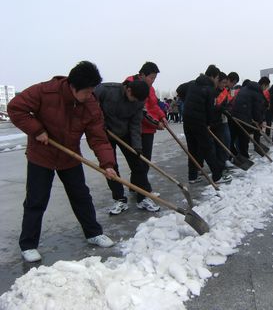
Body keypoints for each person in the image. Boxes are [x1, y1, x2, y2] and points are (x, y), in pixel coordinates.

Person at [7, 61, 116, 263]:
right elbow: (15, 108)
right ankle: (28, 245)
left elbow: (98, 137)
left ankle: (93, 232)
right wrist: (37, 130)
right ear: (73, 87)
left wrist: (107, 164)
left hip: (69, 155)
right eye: (86, 91)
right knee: (36, 200)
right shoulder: (45, 92)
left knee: (81, 195)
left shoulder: (90, 103)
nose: (89, 95)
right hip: (41, 154)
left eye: (93, 90)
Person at [95, 80, 161, 214]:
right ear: (128, 90)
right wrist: (99, 123)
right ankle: (119, 199)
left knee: (138, 164)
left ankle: (143, 198)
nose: (134, 102)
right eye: (134, 99)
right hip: (105, 133)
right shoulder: (106, 90)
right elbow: (91, 108)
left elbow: (136, 124)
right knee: (110, 167)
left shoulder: (138, 101)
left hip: (125, 133)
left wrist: (137, 146)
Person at [123, 62, 167, 209]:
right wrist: (156, 123)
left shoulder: (151, 89)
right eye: (151, 78)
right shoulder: (131, 84)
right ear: (142, 75)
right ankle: (143, 192)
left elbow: (153, 105)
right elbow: (142, 111)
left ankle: (135, 187)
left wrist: (162, 117)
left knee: (144, 161)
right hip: (136, 129)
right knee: (139, 162)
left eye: (154, 78)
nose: (152, 81)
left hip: (148, 130)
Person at [182, 65, 232, 184]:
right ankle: (217, 176)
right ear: (213, 76)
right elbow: (210, 109)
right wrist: (209, 123)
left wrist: (188, 102)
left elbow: (180, 89)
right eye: (217, 78)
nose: (217, 81)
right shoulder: (209, 89)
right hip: (199, 122)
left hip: (187, 120)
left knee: (192, 149)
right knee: (208, 148)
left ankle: (192, 177)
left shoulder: (193, 83)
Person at [231, 81, 263, 158]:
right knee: (244, 138)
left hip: (234, 116)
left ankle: (233, 156)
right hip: (244, 118)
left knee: (233, 138)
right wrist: (259, 121)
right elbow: (256, 110)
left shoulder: (244, 89)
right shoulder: (256, 93)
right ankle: (244, 156)